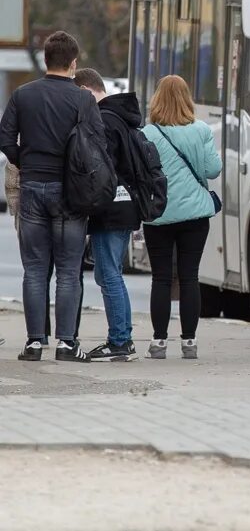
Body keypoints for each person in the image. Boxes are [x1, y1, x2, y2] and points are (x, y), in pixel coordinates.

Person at [0, 31, 104, 362]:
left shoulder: (22, 95)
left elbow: (5, 138)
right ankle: (66, 344)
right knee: (69, 270)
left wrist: (24, 160)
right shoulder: (83, 99)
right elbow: (96, 144)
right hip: (70, 193)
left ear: (46, 60)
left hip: (32, 187)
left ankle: (34, 343)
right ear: (74, 63)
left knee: (34, 268)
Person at [141, 75, 221, 360]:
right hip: (195, 215)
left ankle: (159, 342)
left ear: (157, 99)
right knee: (190, 277)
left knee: (161, 278)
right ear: (187, 99)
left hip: (158, 214)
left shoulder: (148, 133)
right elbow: (213, 169)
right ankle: (189, 342)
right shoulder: (201, 130)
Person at [75, 68, 143, 361]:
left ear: (87, 91)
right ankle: (122, 337)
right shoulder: (121, 117)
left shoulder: (102, 120)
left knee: (109, 275)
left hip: (110, 208)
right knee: (109, 273)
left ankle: (119, 340)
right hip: (126, 205)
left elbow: (100, 169)